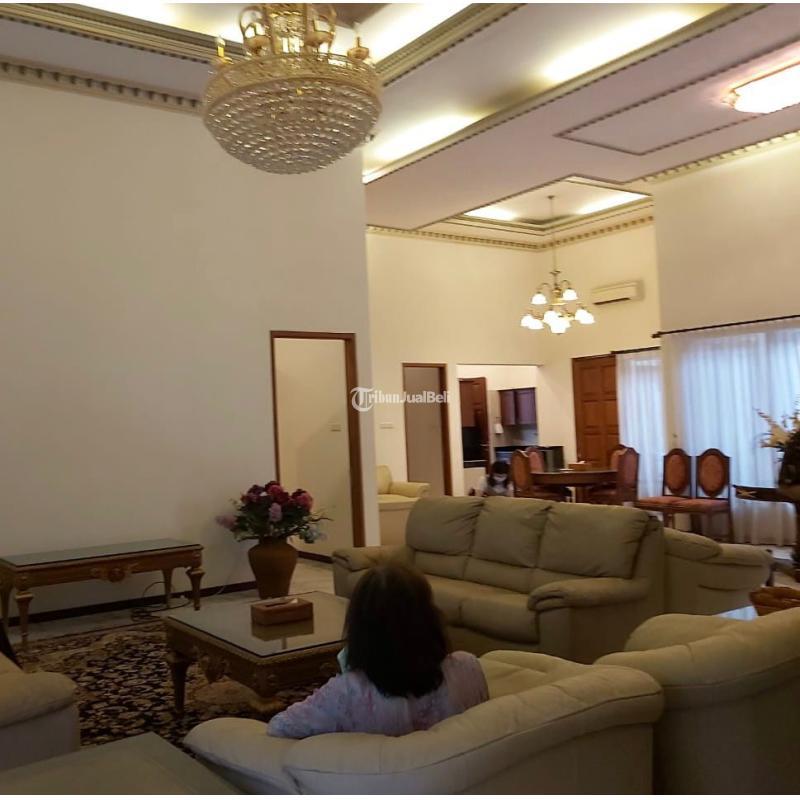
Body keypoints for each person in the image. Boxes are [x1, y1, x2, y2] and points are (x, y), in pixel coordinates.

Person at [268, 561, 488, 739]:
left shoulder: (347, 692)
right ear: (430, 616)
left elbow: (279, 727)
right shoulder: (468, 667)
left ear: (360, 628)